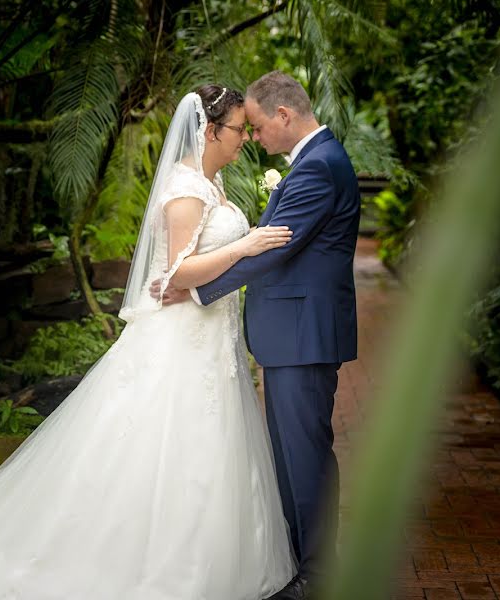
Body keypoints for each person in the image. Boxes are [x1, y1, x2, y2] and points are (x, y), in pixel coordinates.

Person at [0, 85, 297, 599]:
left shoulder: (215, 182)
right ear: (209, 131)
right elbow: (177, 275)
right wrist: (246, 246)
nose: (243, 139)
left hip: (213, 342)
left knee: (210, 454)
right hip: (181, 345)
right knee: (161, 451)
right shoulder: (186, 189)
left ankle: (212, 563)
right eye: (236, 130)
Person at [154, 71, 360, 600]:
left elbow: (274, 247)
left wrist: (197, 288)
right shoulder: (317, 162)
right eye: (245, 129)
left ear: (285, 116)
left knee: (304, 452)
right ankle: (300, 561)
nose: (256, 140)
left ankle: (316, 573)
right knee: (292, 453)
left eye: (261, 127)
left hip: (302, 336)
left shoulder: (317, 168)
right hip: (292, 334)